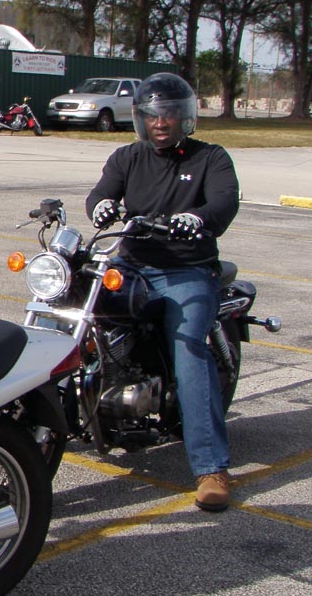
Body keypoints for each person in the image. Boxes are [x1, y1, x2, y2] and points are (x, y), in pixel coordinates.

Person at [85, 72, 240, 511]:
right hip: (130, 265)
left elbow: (225, 201)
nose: (160, 122)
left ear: (184, 117)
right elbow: (101, 192)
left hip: (186, 269)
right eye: (152, 115)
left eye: (169, 114)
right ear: (140, 118)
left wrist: (199, 218)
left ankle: (211, 468)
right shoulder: (127, 157)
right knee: (83, 318)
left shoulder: (210, 158)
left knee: (189, 350)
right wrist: (100, 205)